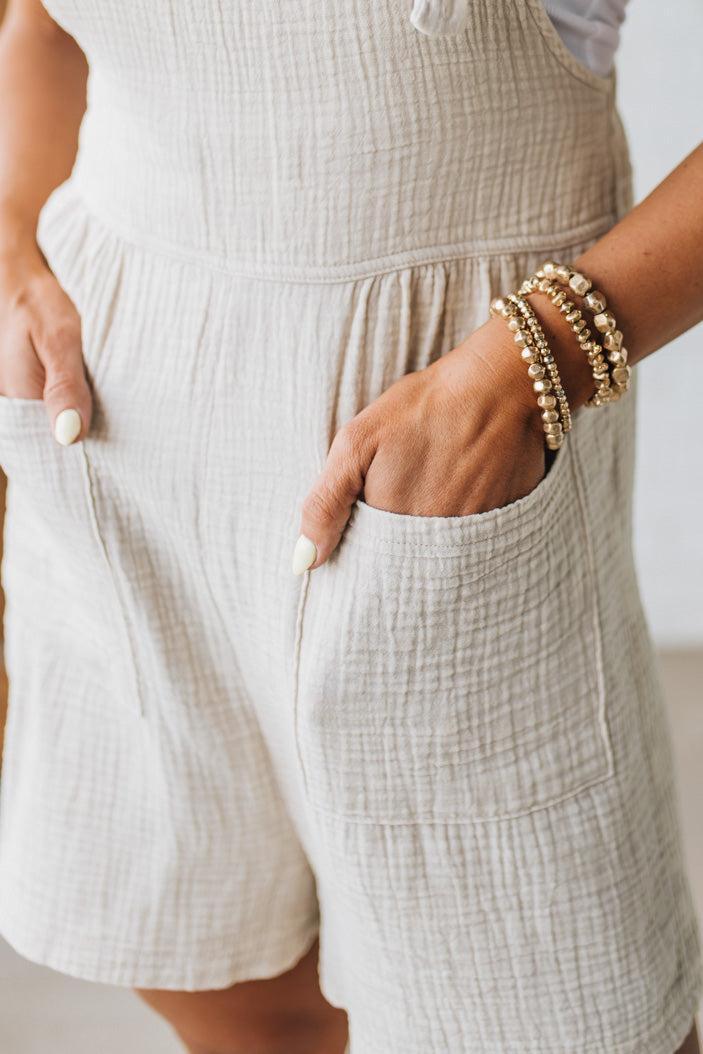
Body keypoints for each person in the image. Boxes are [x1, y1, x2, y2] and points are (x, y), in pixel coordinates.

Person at [0, 1, 700, 1051]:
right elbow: (41, 28)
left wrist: (537, 360)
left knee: (540, 1006)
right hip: (117, 434)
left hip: (445, 438)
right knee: (211, 962)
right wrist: (9, 228)